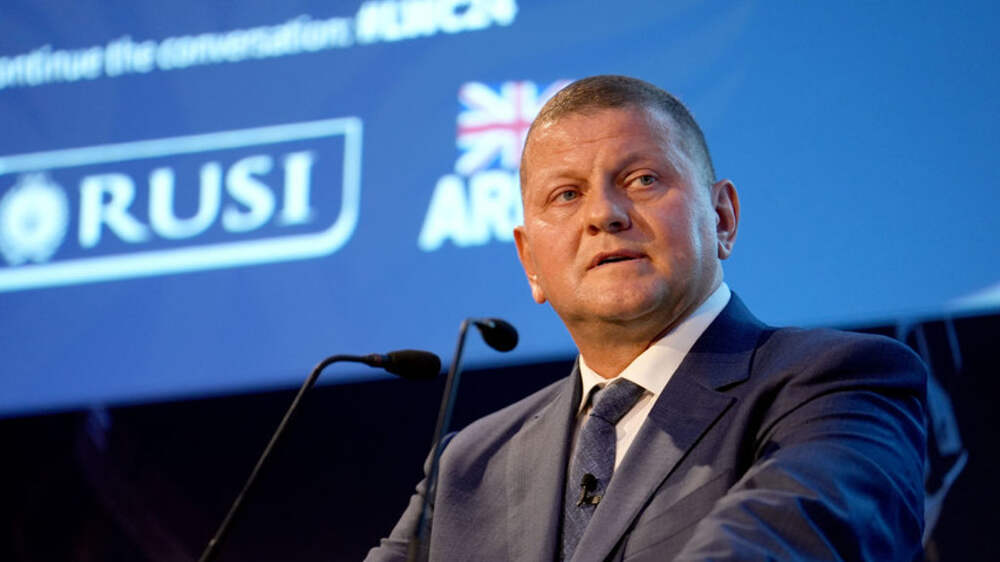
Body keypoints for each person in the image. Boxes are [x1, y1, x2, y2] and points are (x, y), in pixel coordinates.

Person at [366, 75, 927, 561]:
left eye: (642, 180)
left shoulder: (840, 382)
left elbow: (784, 538)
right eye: (566, 194)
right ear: (530, 262)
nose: (604, 214)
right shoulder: (469, 464)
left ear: (722, 218)